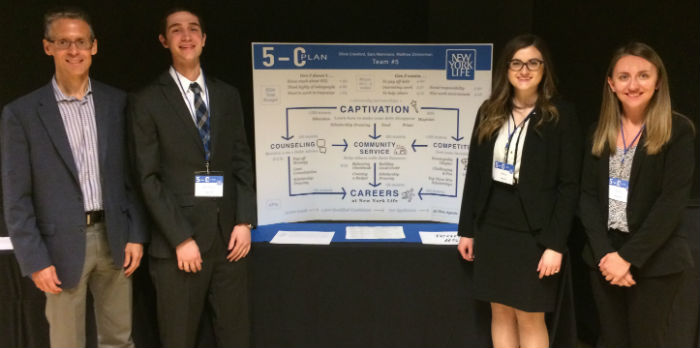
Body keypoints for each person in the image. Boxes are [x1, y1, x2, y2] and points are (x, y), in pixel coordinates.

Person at [0, 7, 147, 347]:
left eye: (81, 42)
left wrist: (136, 233)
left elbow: (133, 177)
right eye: (63, 42)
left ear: (94, 46)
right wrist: (34, 259)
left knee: (119, 340)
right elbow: (16, 196)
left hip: (115, 239)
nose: (74, 50)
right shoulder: (21, 114)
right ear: (47, 47)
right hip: (59, 247)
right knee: (67, 343)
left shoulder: (117, 103)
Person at [127, 7, 256, 347]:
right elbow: (148, 177)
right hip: (178, 249)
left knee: (235, 337)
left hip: (229, 242)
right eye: (176, 30)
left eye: (193, 29)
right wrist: (180, 238)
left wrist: (244, 221)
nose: (186, 36)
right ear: (163, 40)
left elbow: (241, 160)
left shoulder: (228, 95)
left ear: (204, 39)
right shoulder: (147, 101)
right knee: (179, 339)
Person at [457, 34, 581, 347]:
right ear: (507, 69)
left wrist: (555, 243)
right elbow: (475, 175)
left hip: (534, 234)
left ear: (544, 69)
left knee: (529, 315)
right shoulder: (490, 111)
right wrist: (467, 230)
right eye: (516, 63)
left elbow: (569, 186)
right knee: (499, 311)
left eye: (532, 63)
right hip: (492, 228)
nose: (524, 70)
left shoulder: (560, 116)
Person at [579, 42, 695, 347]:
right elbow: (586, 196)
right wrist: (606, 255)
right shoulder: (597, 132)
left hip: (656, 261)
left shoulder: (678, 130)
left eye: (643, 75)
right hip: (605, 261)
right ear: (611, 84)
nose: (633, 84)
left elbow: (671, 202)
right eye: (624, 76)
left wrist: (628, 258)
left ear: (658, 82)